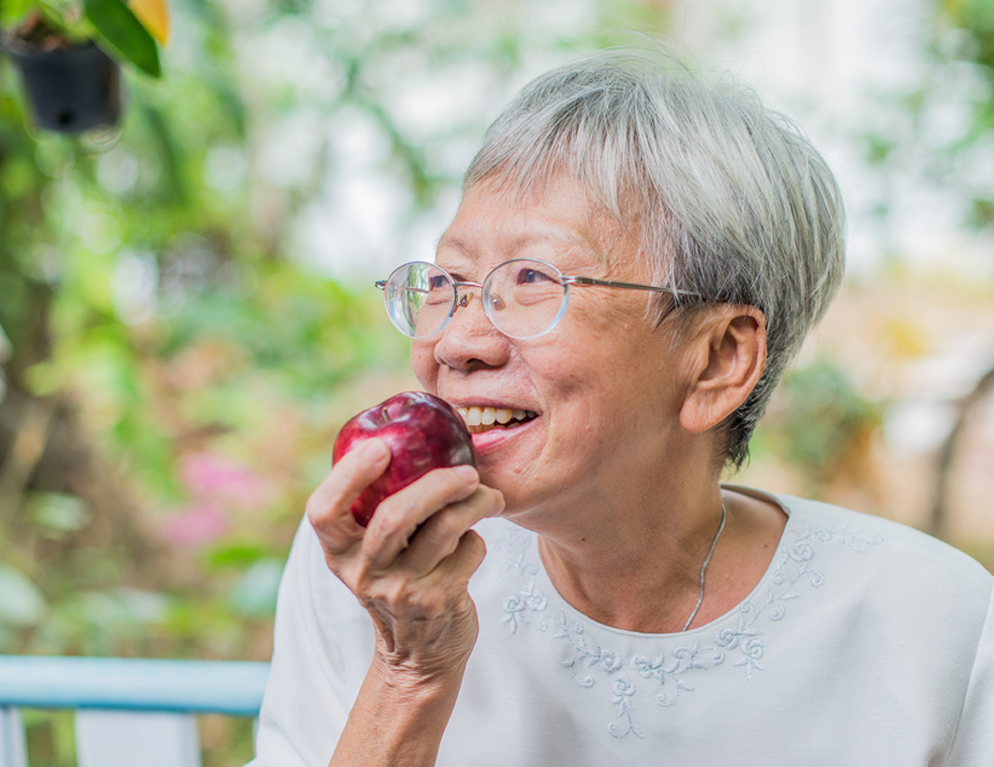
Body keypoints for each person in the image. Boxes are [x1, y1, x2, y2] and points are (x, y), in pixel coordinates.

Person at [247, 50, 994, 766]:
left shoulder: (936, 622)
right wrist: (409, 670)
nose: (459, 341)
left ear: (718, 359)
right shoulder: (375, 566)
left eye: (532, 278)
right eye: (450, 281)